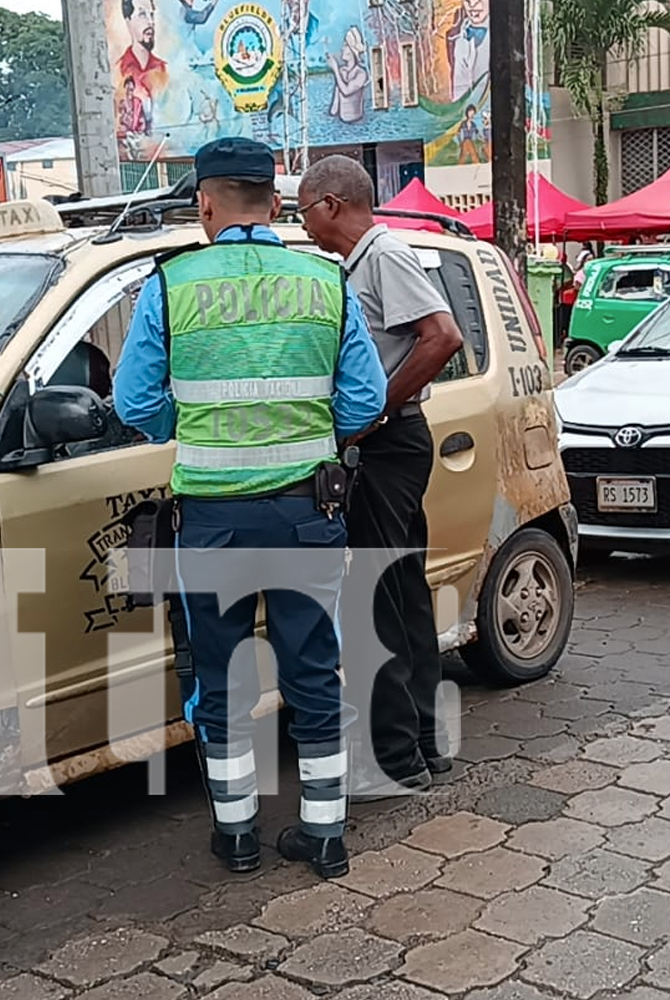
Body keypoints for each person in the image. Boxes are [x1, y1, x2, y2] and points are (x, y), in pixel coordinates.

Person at [113, 136, 388, 879]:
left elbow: (135, 402)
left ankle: (236, 836)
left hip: (211, 520)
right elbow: (365, 398)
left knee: (219, 672)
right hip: (307, 514)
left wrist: (193, 430)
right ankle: (325, 837)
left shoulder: (170, 285)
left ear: (205, 202)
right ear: (275, 203)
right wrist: (304, 432)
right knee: (314, 669)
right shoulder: (326, 278)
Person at [296, 154, 465, 793]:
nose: (304, 226)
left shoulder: (384, 256)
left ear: (333, 205)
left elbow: (441, 336)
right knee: (401, 593)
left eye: (306, 212)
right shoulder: (356, 265)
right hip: (389, 441)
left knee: (380, 597)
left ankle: (395, 755)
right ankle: (422, 742)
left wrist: (375, 410)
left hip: (389, 445)